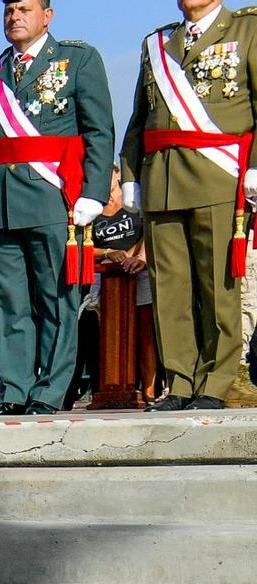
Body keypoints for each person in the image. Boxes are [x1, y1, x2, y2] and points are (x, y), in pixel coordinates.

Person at [0, 0, 115, 414]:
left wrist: (94, 192)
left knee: (55, 300)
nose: (15, 17)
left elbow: (99, 130)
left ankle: (49, 391)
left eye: (24, 9)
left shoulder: (76, 59)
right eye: (9, 10)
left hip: (51, 198)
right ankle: (14, 390)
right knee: (7, 304)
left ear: (47, 15)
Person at [121, 0, 257, 411]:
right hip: (162, 178)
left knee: (218, 287)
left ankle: (216, 384)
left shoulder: (247, 31)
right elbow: (140, 118)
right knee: (170, 290)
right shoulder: (158, 43)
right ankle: (180, 382)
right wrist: (130, 176)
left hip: (218, 176)